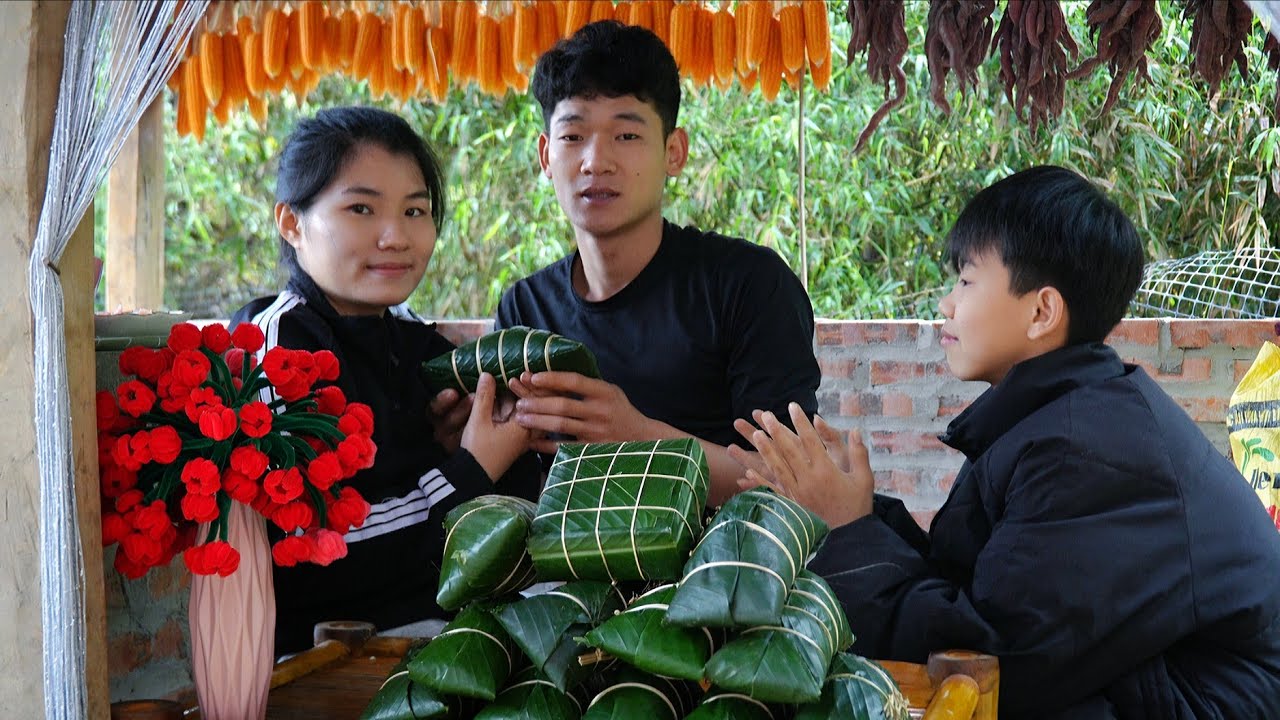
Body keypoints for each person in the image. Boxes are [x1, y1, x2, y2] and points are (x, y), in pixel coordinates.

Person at [740, 166, 1280, 718]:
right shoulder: (1059, 418)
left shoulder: (1089, 450)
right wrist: (850, 508)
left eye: (967, 281)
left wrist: (849, 531)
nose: (947, 304)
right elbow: (971, 584)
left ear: (1041, 312)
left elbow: (993, 658)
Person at [230, 106, 539, 655]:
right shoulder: (275, 346)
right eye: (361, 208)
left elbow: (515, 506)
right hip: (330, 662)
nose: (396, 237)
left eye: (415, 210)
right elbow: (315, 550)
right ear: (292, 223)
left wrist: (509, 439)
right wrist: (472, 469)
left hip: (446, 634)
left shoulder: (414, 341)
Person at [496, 20, 820, 504]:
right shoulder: (525, 311)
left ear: (674, 152)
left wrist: (639, 437)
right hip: (574, 551)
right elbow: (518, 491)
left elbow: (791, 482)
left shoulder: (749, 284)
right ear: (546, 156)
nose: (595, 161)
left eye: (626, 135)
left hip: (729, 552)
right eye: (573, 136)